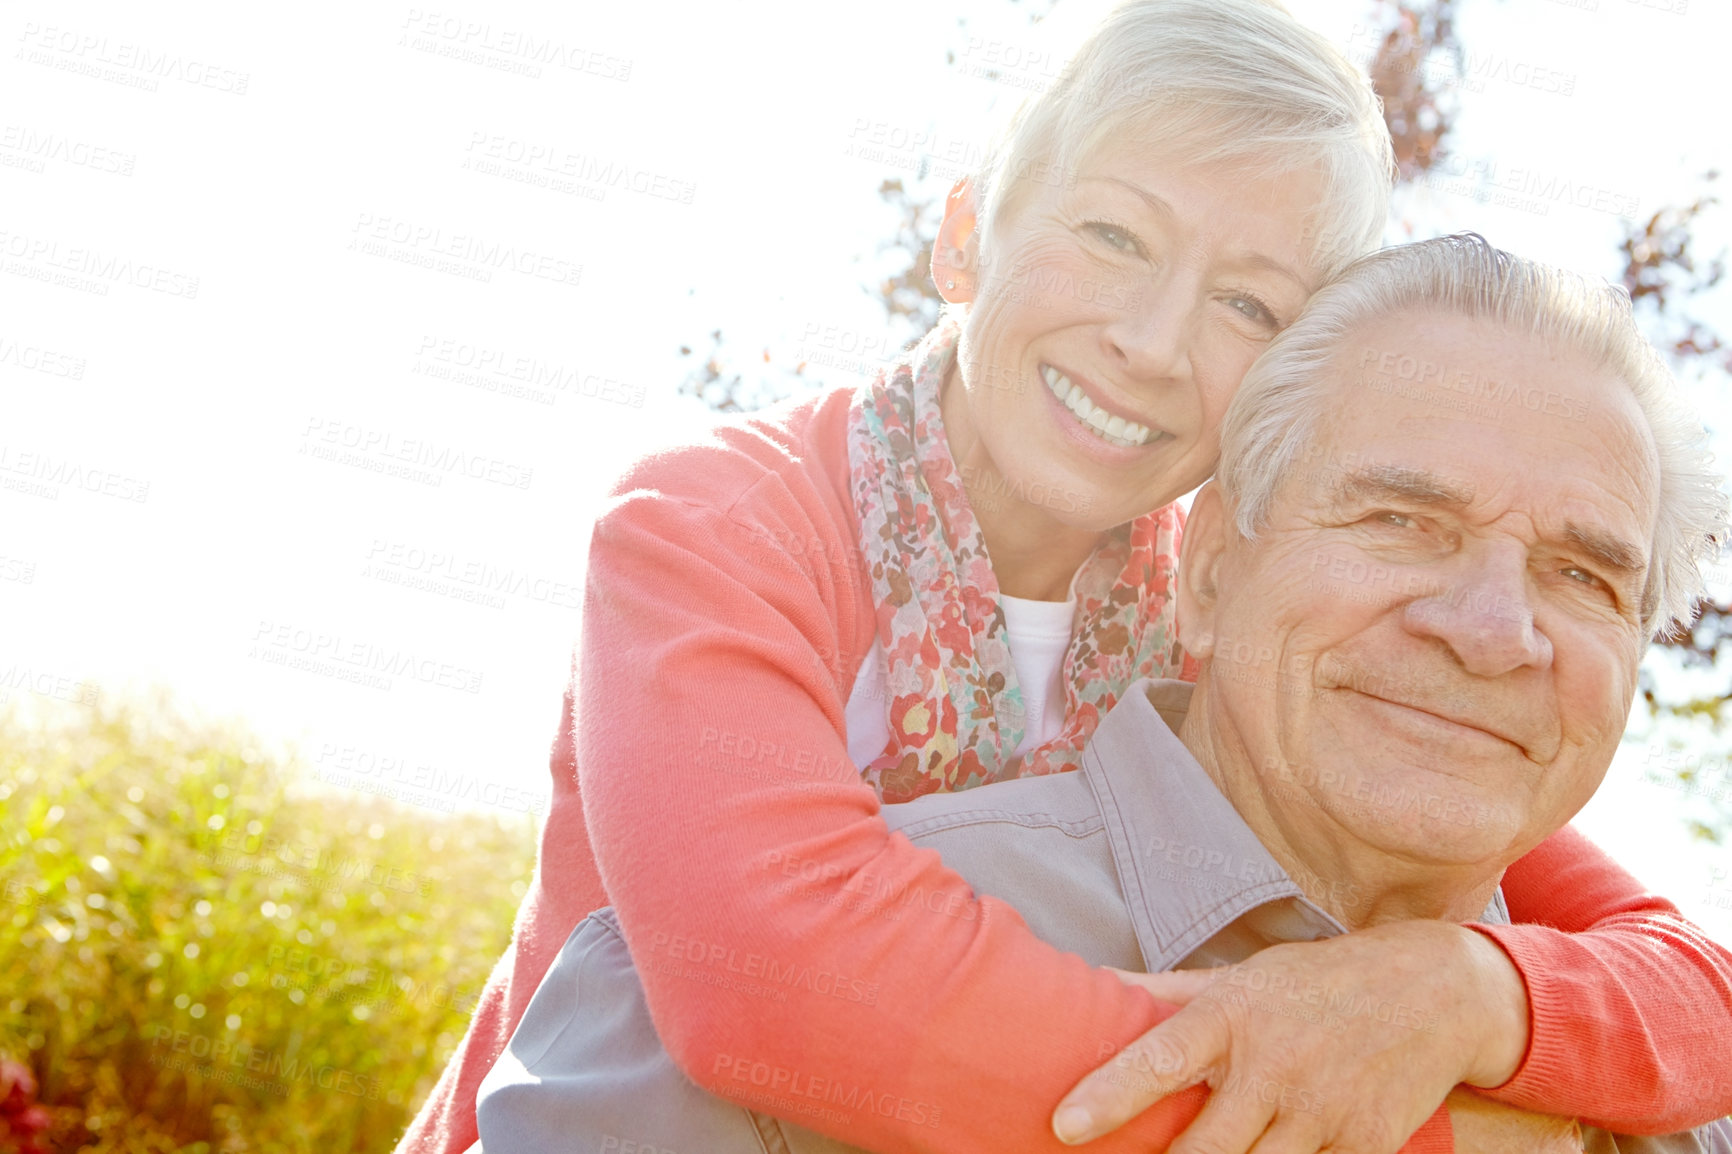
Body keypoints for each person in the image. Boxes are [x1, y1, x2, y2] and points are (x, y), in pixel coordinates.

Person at [393, 3, 1732, 1152]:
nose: (1150, 341)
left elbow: (1671, 962)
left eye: (1248, 305)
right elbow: (774, 986)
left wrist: (1468, 994)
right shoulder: (717, 524)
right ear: (965, 233)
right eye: (1111, 235)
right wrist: (1388, 1107)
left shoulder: (1236, 635)